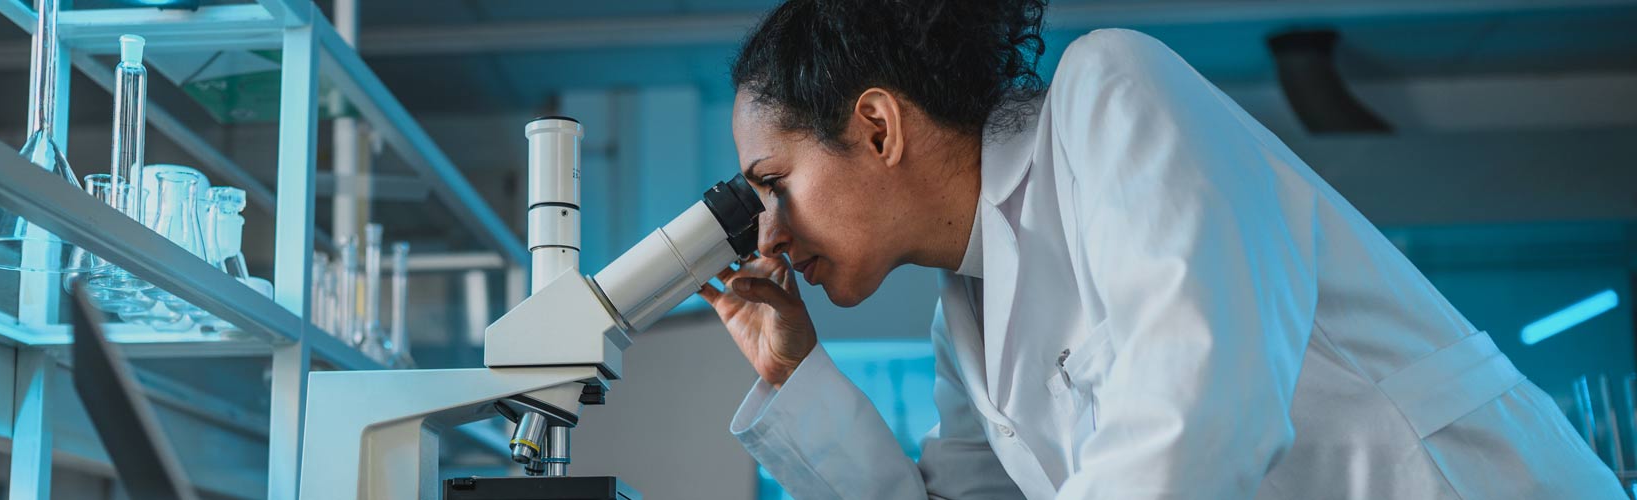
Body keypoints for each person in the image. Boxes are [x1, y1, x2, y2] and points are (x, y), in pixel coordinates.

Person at [695, 0, 1624, 498]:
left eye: (770, 184)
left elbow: (1199, 415)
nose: (767, 233)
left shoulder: (1112, 90)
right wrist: (798, 377)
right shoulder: (967, 311)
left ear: (878, 127)